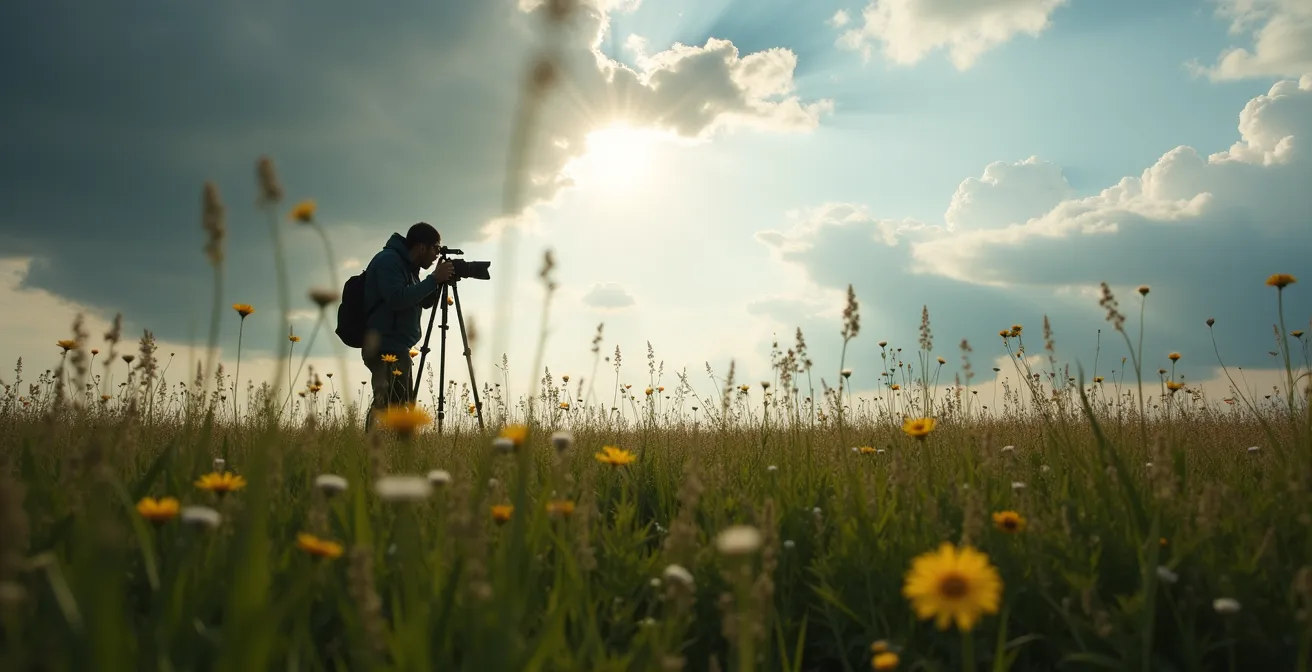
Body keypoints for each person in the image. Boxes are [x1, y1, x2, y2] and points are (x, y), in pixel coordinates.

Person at [361, 222, 454, 430]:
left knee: (398, 404)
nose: (437, 255)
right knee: (387, 403)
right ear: (422, 247)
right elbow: (396, 299)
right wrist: (433, 279)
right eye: (436, 248)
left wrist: (437, 282)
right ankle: (372, 445)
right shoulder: (389, 261)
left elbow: (421, 301)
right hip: (383, 345)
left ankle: (388, 447)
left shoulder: (409, 268)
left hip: (397, 346)